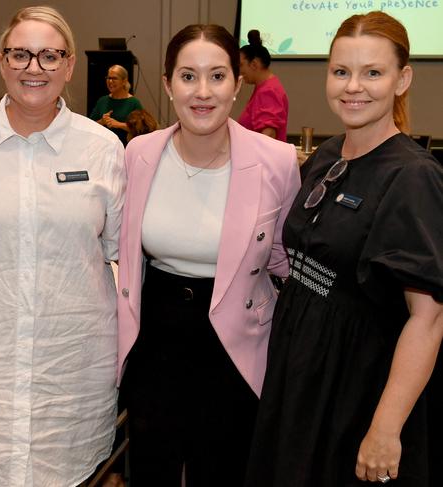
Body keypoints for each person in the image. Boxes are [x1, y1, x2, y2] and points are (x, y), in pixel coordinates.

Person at [0, 6, 126, 486]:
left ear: (70, 65)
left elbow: (116, 250)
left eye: (49, 56)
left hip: (72, 367)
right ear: (1, 61)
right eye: (20, 54)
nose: (34, 68)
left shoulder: (103, 149)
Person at [245, 11, 443, 487]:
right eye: (341, 72)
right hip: (301, 373)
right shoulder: (328, 154)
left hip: (358, 387)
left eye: (373, 72)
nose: (354, 86)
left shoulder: (413, 176)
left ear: (403, 79)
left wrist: (385, 427)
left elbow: (428, 317)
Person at [116, 24, 300, 486]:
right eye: (188, 76)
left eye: (218, 76)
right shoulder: (138, 154)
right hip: (153, 337)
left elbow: (284, 257)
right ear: (167, 84)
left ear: (238, 85)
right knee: (153, 470)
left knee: (222, 471)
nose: (203, 92)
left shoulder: (276, 160)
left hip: (235, 345)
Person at [238, 30, 289, 141]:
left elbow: (269, 134)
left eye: (241, 65)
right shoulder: (265, 88)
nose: (239, 71)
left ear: (254, 64)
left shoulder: (268, 90)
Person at [89, 64, 143, 145]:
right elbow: (89, 126)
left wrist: (119, 124)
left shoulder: (134, 103)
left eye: (114, 78)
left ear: (124, 81)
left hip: (126, 149)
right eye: (108, 78)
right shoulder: (102, 101)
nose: (110, 81)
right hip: (103, 148)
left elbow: (141, 129)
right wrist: (102, 121)